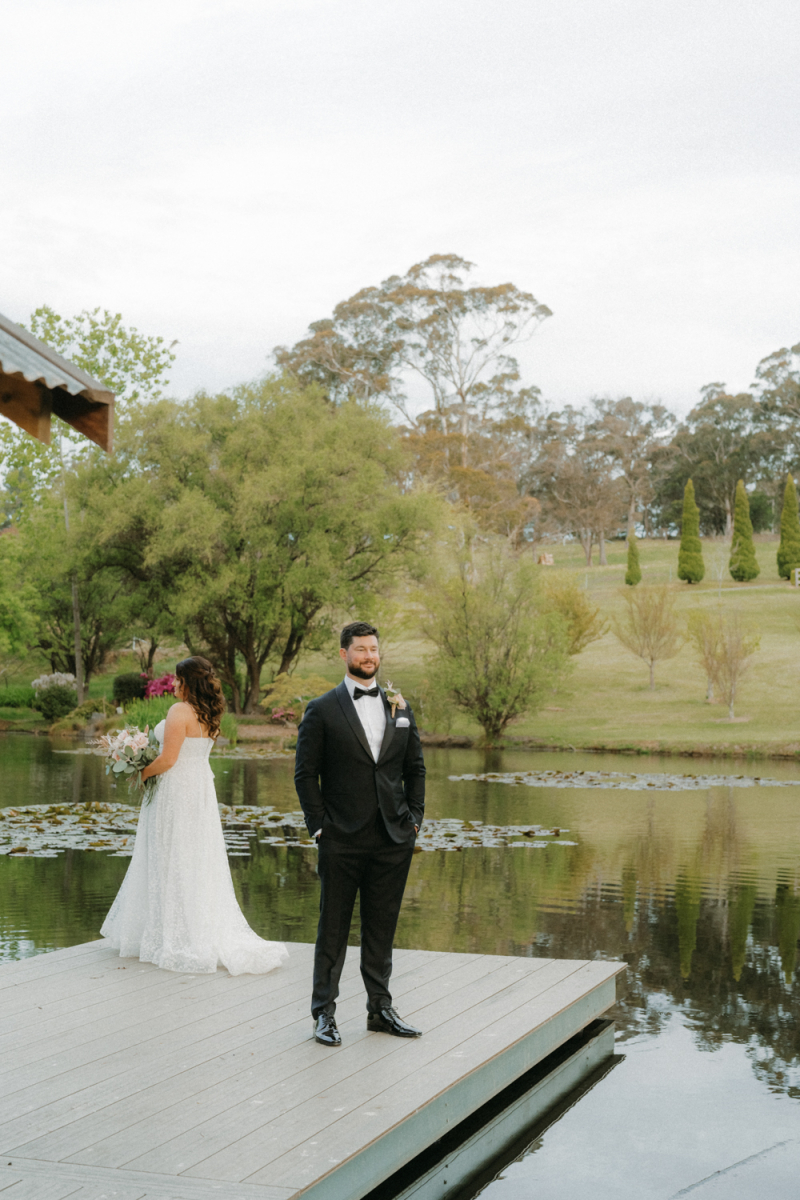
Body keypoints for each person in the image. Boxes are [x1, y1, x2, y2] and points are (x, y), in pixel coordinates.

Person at [101, 656, 288, 976]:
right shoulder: (210, 713)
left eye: (177, 679)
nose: (173, 684)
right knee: (193, 859)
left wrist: (140, 772)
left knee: (170, 856)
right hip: (199, 790)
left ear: (188, 681)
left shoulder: (179, 711)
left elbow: (168, 759)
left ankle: (173, 935)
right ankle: (184, 928)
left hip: (175, 791)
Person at [294, 621, 426, 1047]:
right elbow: (304, 774)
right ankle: (323, 1014)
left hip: (392, 836)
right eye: (361, 649)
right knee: (332, 928)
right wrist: (319, 827)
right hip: (341, 838)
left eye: (374, 649)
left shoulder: (398, 705)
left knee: (381, 928)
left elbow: (415, 768)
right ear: (344, 654)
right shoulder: (322, 709)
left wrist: (414, 820)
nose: (369, 656)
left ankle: (380, 1010)